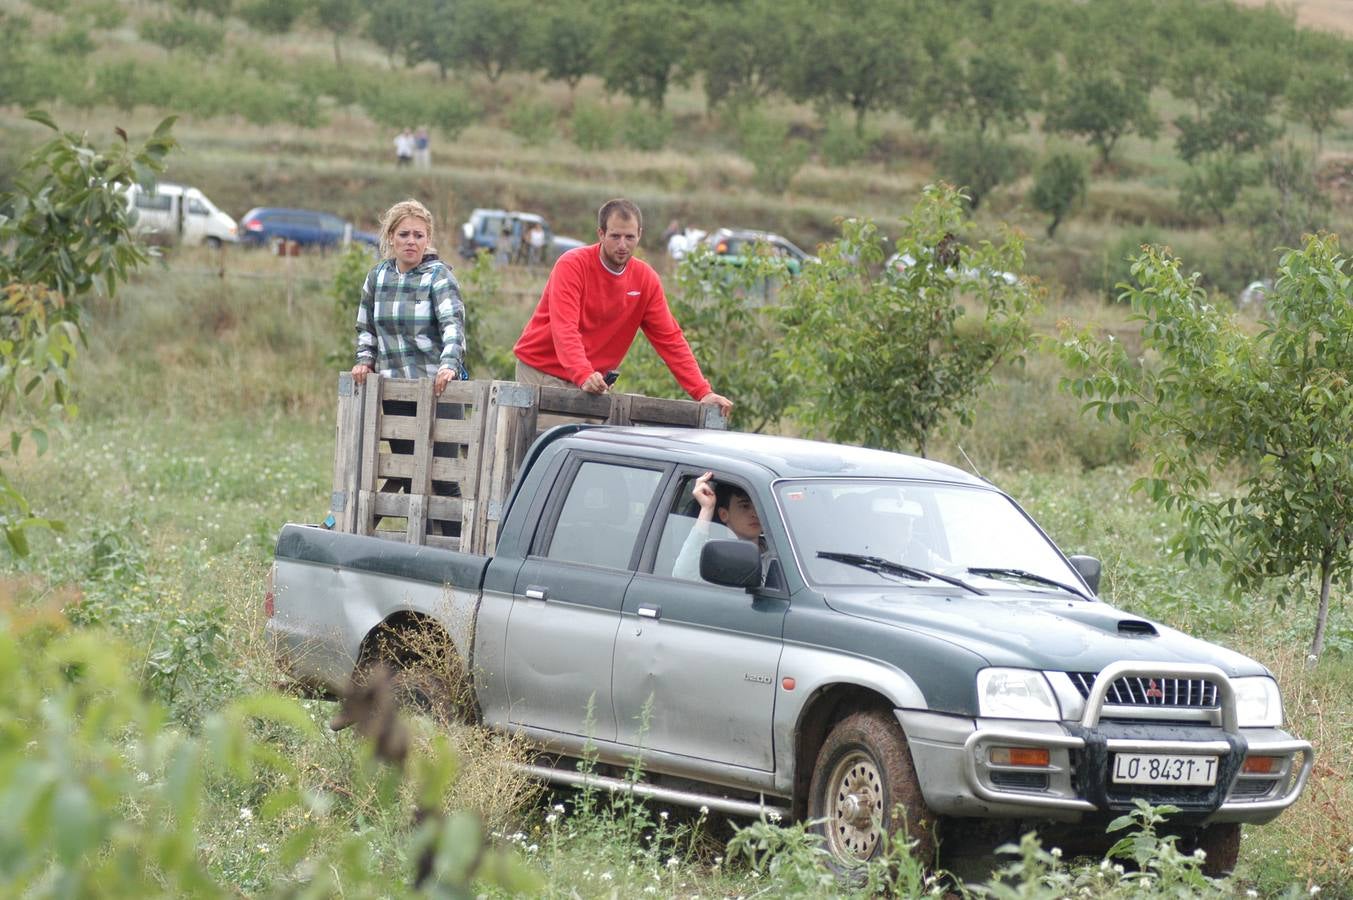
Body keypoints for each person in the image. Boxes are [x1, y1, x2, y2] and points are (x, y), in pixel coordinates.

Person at [512, 198, 734, 415]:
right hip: (544, 372)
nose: (622, 245)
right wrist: (583, 374)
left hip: (594, 383)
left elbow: (670, 339)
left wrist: (702, 392)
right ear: (601, 234)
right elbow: (565, 329)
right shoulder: (572, 265)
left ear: (639, 235)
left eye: (629, 237)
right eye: (615, 236)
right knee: (557, 446)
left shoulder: (646, 279)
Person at [350, 199, 466, 533]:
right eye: (404, 234)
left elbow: (452, 327)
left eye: (418, 234)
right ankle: (421, 547)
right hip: (397, 391)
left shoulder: (438, 277)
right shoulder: (378, 277)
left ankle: (456, 551)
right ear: (390, 237)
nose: (411, 241)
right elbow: (366, 329)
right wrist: (364, 362)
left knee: (442, 478)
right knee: (410, 475)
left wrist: (448, 366)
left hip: (438, 389)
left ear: (428, 238)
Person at [671, 472, 767, 581]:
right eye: (745, 506)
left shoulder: (780, 553)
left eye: (759, 506)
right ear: (724, 514)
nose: (755, 513)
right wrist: (707, 509)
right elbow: (683, 576)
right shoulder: (715, 557)